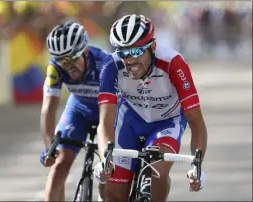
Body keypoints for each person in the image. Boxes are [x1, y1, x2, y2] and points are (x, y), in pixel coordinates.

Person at [94, 14, 208, 202]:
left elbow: (196, 122)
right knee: (113, 194)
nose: (129, 60)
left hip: (166, 122)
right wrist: (105, 158)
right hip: (130, 120)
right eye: (123, 53)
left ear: (152, 47)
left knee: (158, 172)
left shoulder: (173, 63)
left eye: (136, 52)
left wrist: (196, 167)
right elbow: (105, 122)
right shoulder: (111, 66)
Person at [40, 21, 109, 201]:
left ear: (85, 51)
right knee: (59, 166)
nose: (68, 66)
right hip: (79, 110)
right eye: (62, 60)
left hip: (109, 111)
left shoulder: (105, 63)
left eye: (72, 58)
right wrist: (49, 148)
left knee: (109, 171)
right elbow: (48, 107)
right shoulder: (54, 67)